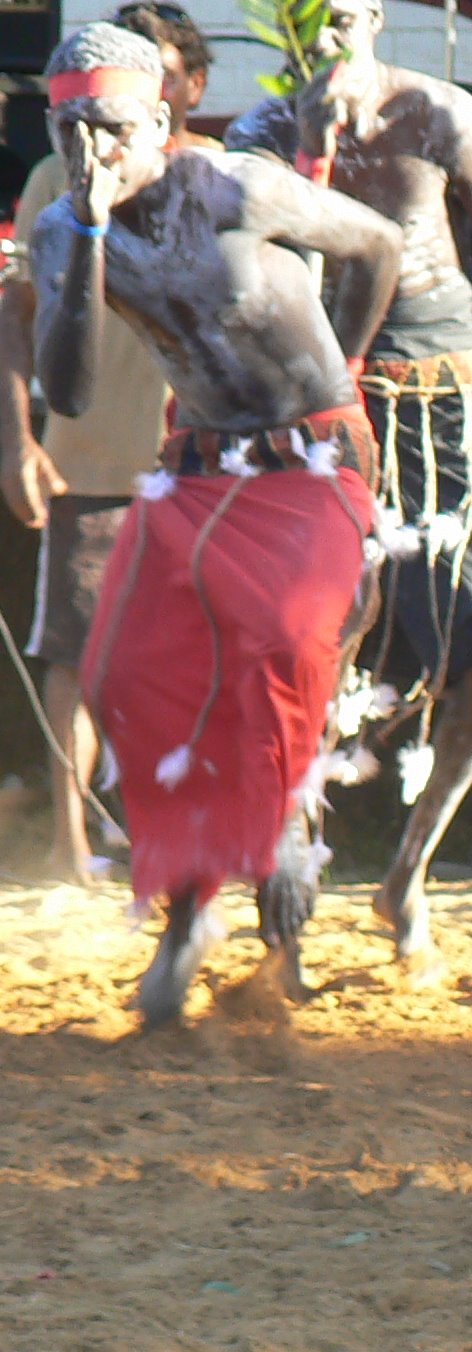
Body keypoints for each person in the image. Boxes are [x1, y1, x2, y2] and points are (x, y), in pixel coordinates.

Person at [28, 22, 401, 1021]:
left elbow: (378, 244)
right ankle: (190, 904)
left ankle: (281, 924)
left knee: (280, 646)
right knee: (122, 670)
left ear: (160, 115)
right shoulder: (66, 229)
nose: (87, 148)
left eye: (103, 126)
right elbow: (62, 391)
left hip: (309, 459)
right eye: (65, 127)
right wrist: (91, 233)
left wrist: (348, 378)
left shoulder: (236, 188)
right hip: (195, 465)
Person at [226, 0, 472, 974]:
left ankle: (404, 873)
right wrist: (311, 158)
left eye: (340, 13)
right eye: (307, 16)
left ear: (372, 17)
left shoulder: (439, 115)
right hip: (332, 410)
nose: (326, 31)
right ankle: (284, 921)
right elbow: (254, 294)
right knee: (309, 659)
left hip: (459, 396)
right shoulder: (261, 139)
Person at [0, 0, 216, 884]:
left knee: (196, 661)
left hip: (202, 458)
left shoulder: (221, 177)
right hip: (90, 449)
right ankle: (67, 847)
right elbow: (15, 312)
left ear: (179, 95)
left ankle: (184, 843)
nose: (97, 131)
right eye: (80, 112)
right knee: (77, 655)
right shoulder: (57, 177)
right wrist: (16, 435)